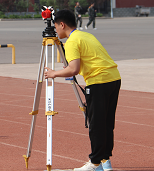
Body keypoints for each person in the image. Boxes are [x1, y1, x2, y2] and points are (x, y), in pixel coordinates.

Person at [44, 9, 121, 171]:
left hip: (99, 81)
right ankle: (105, 161)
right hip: (113, 78)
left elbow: (73, 69)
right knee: (106, 123)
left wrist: (53, 73)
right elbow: (81, 64)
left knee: (96, 124)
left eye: (56, 26)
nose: (56, 30)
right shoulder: (86, 35)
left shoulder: (72, 41)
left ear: (62, 24)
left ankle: (94, 163)